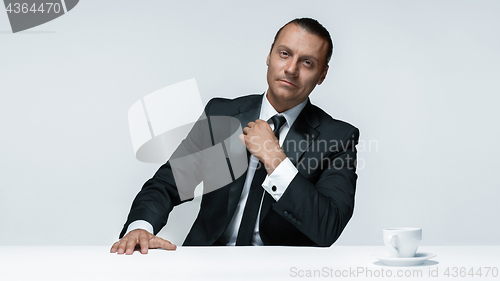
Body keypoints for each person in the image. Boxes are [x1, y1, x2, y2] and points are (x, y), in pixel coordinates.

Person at [111, 18, 359, 255]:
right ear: (269, 56)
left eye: (307, 62)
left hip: (283, 269)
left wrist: (275, 159)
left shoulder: (338, 137)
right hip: (207, 263)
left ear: (322, 74)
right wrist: (140, 228)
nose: (291, 69)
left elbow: (328, 226)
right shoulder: (221, 114)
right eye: (284, 54)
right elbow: (169, 183)